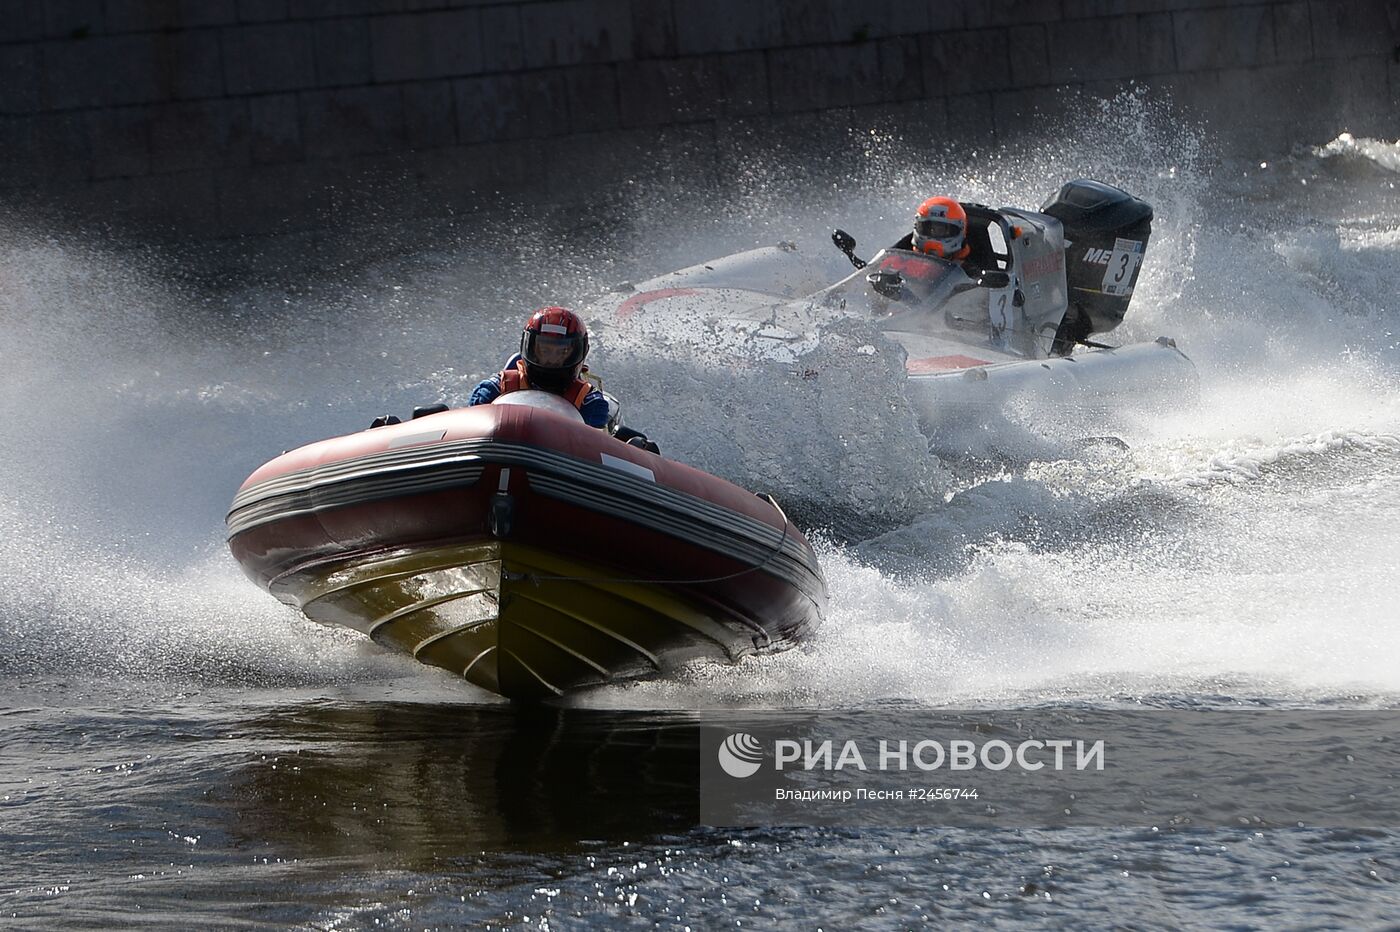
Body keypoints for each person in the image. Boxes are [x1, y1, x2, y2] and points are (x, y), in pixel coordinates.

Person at [468, 306, 612, 428]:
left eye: (562, 352)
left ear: (578, 353)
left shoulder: (589, 402)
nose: (552, 360)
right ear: (530, 348)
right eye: (545, 350)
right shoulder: (495, 389)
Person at [894, 195, 971, 261]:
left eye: (941, 230)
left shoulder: (974, 263)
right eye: (928, 229)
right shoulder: (901, 252)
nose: (933, 235)